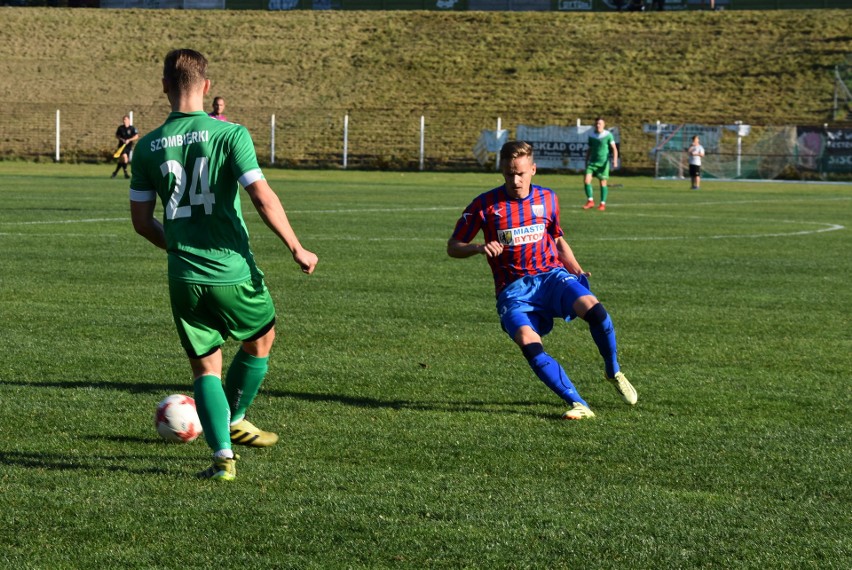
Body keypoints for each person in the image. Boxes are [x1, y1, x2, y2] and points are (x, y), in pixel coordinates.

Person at [129, 49, 318, 481]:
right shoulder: (231, 135)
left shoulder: (146, 148)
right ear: (207, 87)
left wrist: (178, 249)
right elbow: (261, 196)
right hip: (232, 269)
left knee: (205, 368)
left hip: (183, 276)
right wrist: (296, 247)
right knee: (263, 336)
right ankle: (236, 416)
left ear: (164, 87)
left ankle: (222, 458)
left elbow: (141, 223)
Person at [448, 140, 637, 420]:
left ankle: (613, 371)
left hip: (550, 277)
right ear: (502, 171)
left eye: (521, 173)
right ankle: (578, 403)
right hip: (513, 291)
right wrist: (478, 248)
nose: (515, 180)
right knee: (528, 342)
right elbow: (453, 246)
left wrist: (576, 268)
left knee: (596, 311)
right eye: (509, 173)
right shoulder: (484, 206)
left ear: (533, 170)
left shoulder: (547, 198)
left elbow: (557, 239)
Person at [582, 117, 619, 211]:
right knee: (586, 180)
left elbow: (614, 149)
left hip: (603, 163)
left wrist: (615, 160)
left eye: (600, 124)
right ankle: (590, 201)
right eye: (597, 124)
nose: (598, 125)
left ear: (604, 125)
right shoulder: (591, 136)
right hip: (592, 162)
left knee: (602, 182)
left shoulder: (608, 135)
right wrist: (586, 160)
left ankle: (602, 203)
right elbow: (589, 149)